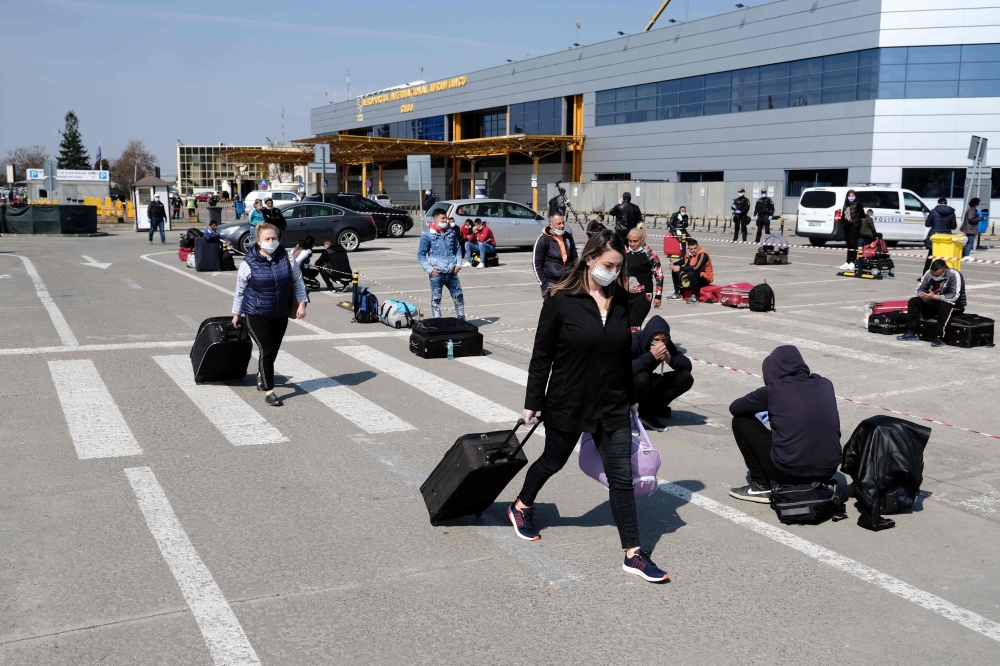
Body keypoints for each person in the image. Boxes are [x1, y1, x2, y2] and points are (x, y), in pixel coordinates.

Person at [514, 229, 669, 583]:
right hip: (569, 400)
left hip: (612, 403)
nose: (613, 272)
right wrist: (532, 402)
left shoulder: (621, 300)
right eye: (608, 265)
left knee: (621, 478)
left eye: (618, 267)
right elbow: (542, 356)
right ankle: (522, 505)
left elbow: (621, 355)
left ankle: (633, 553)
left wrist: (631, 397)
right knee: (552, 461)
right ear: (589, 260)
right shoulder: (560, 299)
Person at [728, 345, 842, 502]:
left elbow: (735, 408)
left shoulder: (774, 389)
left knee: (740, 421)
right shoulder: (825, 384)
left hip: (791, 472)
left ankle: (760, 486)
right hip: (828, 470)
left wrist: (766, 407)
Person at [231, 222, 308, 407]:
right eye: (267, 239)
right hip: (256, 312)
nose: (271, 241)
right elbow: (240, 290)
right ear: (258, 241)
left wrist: (302, 304)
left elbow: (298, 282)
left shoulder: (287, 257)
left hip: (280, 311)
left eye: (274, 238)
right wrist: (236, 314)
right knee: (266, 349)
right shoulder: (248, 262)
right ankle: (269, 390)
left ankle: (261, 374)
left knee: (273, 349)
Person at [631, 315, 693, 431]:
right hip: (626, 386)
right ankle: (627, 415)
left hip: (646, 382)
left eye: (663, 340)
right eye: (656, 340)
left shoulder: (666, 344)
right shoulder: (634, 341)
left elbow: (687, 366)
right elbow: (623, 370)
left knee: (686, 378)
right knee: (643, 378)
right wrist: (650, 357)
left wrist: (671, 359)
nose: (660, 343)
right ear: (649, 337)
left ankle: (647, 412)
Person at [896, 259, 967, 347]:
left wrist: (934, 297)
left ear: (945, 271)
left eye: (937, 275)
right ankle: (911, 331)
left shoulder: (954, 275)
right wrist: (923, 296)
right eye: (933, 274)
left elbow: (954, 296)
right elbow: (919, 289)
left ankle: (940, 336)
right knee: (914, 301)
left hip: (954, 304)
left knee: (945, 305)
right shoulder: (929, 273)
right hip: (934, 300)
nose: (934, 276)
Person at [418, 209, 464, 319]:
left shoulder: (451, 232)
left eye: (446, 218)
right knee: (436, 300)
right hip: (437, 274)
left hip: (452, 272)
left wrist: (458, 264)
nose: (445, 220)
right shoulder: (427, 235)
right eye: (443, 218)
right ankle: (437, 322)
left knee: (459, 298)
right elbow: (421, 255)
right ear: (435, 219)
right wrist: (430, 270)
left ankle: (462, 320)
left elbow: (458, 249)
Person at [532, 209, 579, 298]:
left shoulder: (568, 237)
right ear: (550, 225)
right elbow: (536, 264)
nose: (562, 226)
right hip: (551, 284)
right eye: (559, 224)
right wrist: (544, 284)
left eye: (563, 223)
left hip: (568, 282)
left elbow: (574, 258)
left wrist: (575, 278)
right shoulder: (542, 240)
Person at [625, 226, 663, 331]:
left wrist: (658, 296)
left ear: (641, 240)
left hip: (643, 294)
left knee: (634, 325)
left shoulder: (650, 255)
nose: (632, 244)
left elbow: (659, 275)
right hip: (626, 295)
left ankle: (635, 341)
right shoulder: (625, 253)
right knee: (624, 325)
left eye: (635, 241)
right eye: (630, 241)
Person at [669, 237, 714, 304]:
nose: (693, 250)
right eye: (691, 249)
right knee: (675, 271)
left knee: (691, 273)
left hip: (705, 278)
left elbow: (696, 267)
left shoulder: (703, 255)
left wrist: (680, 268)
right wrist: (673, 265)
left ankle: (694, 296)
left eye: (695, 248)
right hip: (695, 275)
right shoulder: (689, 254)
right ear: (689, 249)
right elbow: (683, 261)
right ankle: (677, 293)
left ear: (698, 247)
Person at [924, 197, 957, 274]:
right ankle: (945, 274)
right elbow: (954, 226)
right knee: (945, 257)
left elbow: (927, 224)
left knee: (930, 257)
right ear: (946, 204)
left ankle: (925, 275)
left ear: (938, 203)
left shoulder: (933, 211)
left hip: (935, 237)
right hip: (946, 238)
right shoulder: (951, 212)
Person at [838, 189, 864, 271]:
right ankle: (848, 261)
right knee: (848, 245)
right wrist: (842, 224)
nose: (851, 197)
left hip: (854, 227)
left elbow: (862, 216)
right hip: (846, 227)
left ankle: (853, 262)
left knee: (853, 244)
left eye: (852, 195)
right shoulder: (846, 204)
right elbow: (843, 215)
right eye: (849, 195)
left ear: (855, 196)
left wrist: (859, 225)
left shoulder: (858, 204)